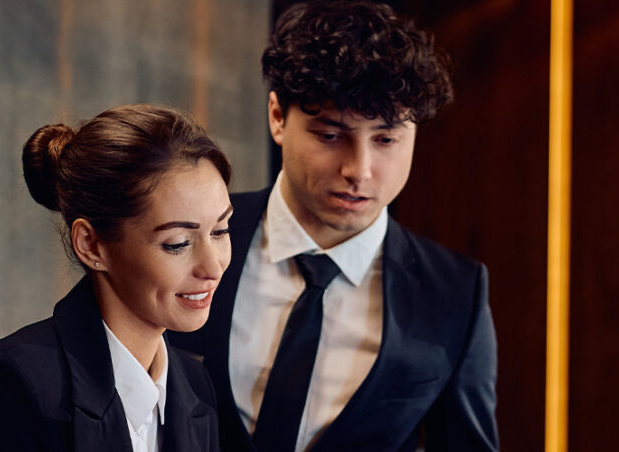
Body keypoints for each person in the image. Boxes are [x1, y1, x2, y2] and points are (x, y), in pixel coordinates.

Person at [167, 2, 498, 451]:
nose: (358, 169)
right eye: (330, 135)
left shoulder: (456, 293)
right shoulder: (185, 239)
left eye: (385, 139)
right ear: (278, 117)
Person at [0, 104, 232, 452]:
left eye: (220, 231)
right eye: (177, 244)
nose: (213, 266)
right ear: (91, 245)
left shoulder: (194, 385)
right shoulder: (3, 388)